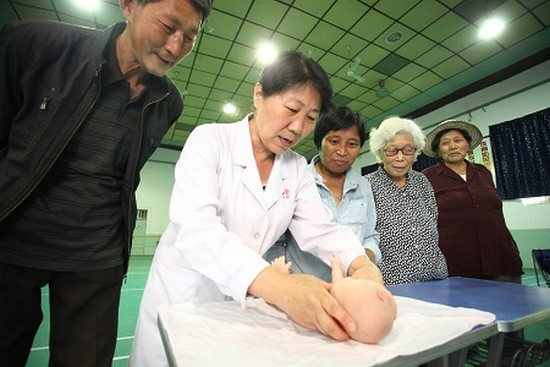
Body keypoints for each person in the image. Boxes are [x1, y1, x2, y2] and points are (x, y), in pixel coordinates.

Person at [129, 50, 384, 366]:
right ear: (259, 94)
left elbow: (321, 228)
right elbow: (198, 231)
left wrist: (361, 264)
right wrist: (282, 288)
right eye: (292, 109)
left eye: (310, 118)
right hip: (185, 300)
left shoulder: (296, 167)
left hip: (240, 308)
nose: (296, 127)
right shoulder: (210, 141)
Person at [0, 0, 212, 365]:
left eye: (190, 37)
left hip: (97, 259)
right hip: (12, 246)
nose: (176, 48)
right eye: (167, 26)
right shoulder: (32, 45)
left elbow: (125, 177)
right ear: (129, 5)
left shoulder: (168, 102)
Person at [264, 105, 381, 282]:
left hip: (351, 288)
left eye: (352, 144)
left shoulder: (363, 185)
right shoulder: (296, 180)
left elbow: (370, 236)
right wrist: (284, 283)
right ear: (320, 141)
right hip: (305, 288)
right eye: (334, 141)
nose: (342, 151)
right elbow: (276, 241)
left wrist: (364, 261)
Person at [422, 120, 523, 283]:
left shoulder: (483, 172)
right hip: (456, 263)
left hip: (500, 257)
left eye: (458, 140)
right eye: (445, 143)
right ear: (438, 150)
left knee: (511, 305)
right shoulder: (427, 177)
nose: (452, 146)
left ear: (467, 145)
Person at [365, 117, 448, 285]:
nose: (400, 157)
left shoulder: (422, 181)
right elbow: (363, 235)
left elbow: (433, 219)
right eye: (392, 150)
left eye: (408, 150)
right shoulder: (366, 185)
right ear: (381, 152)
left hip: (435, 278)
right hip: (390, 283)